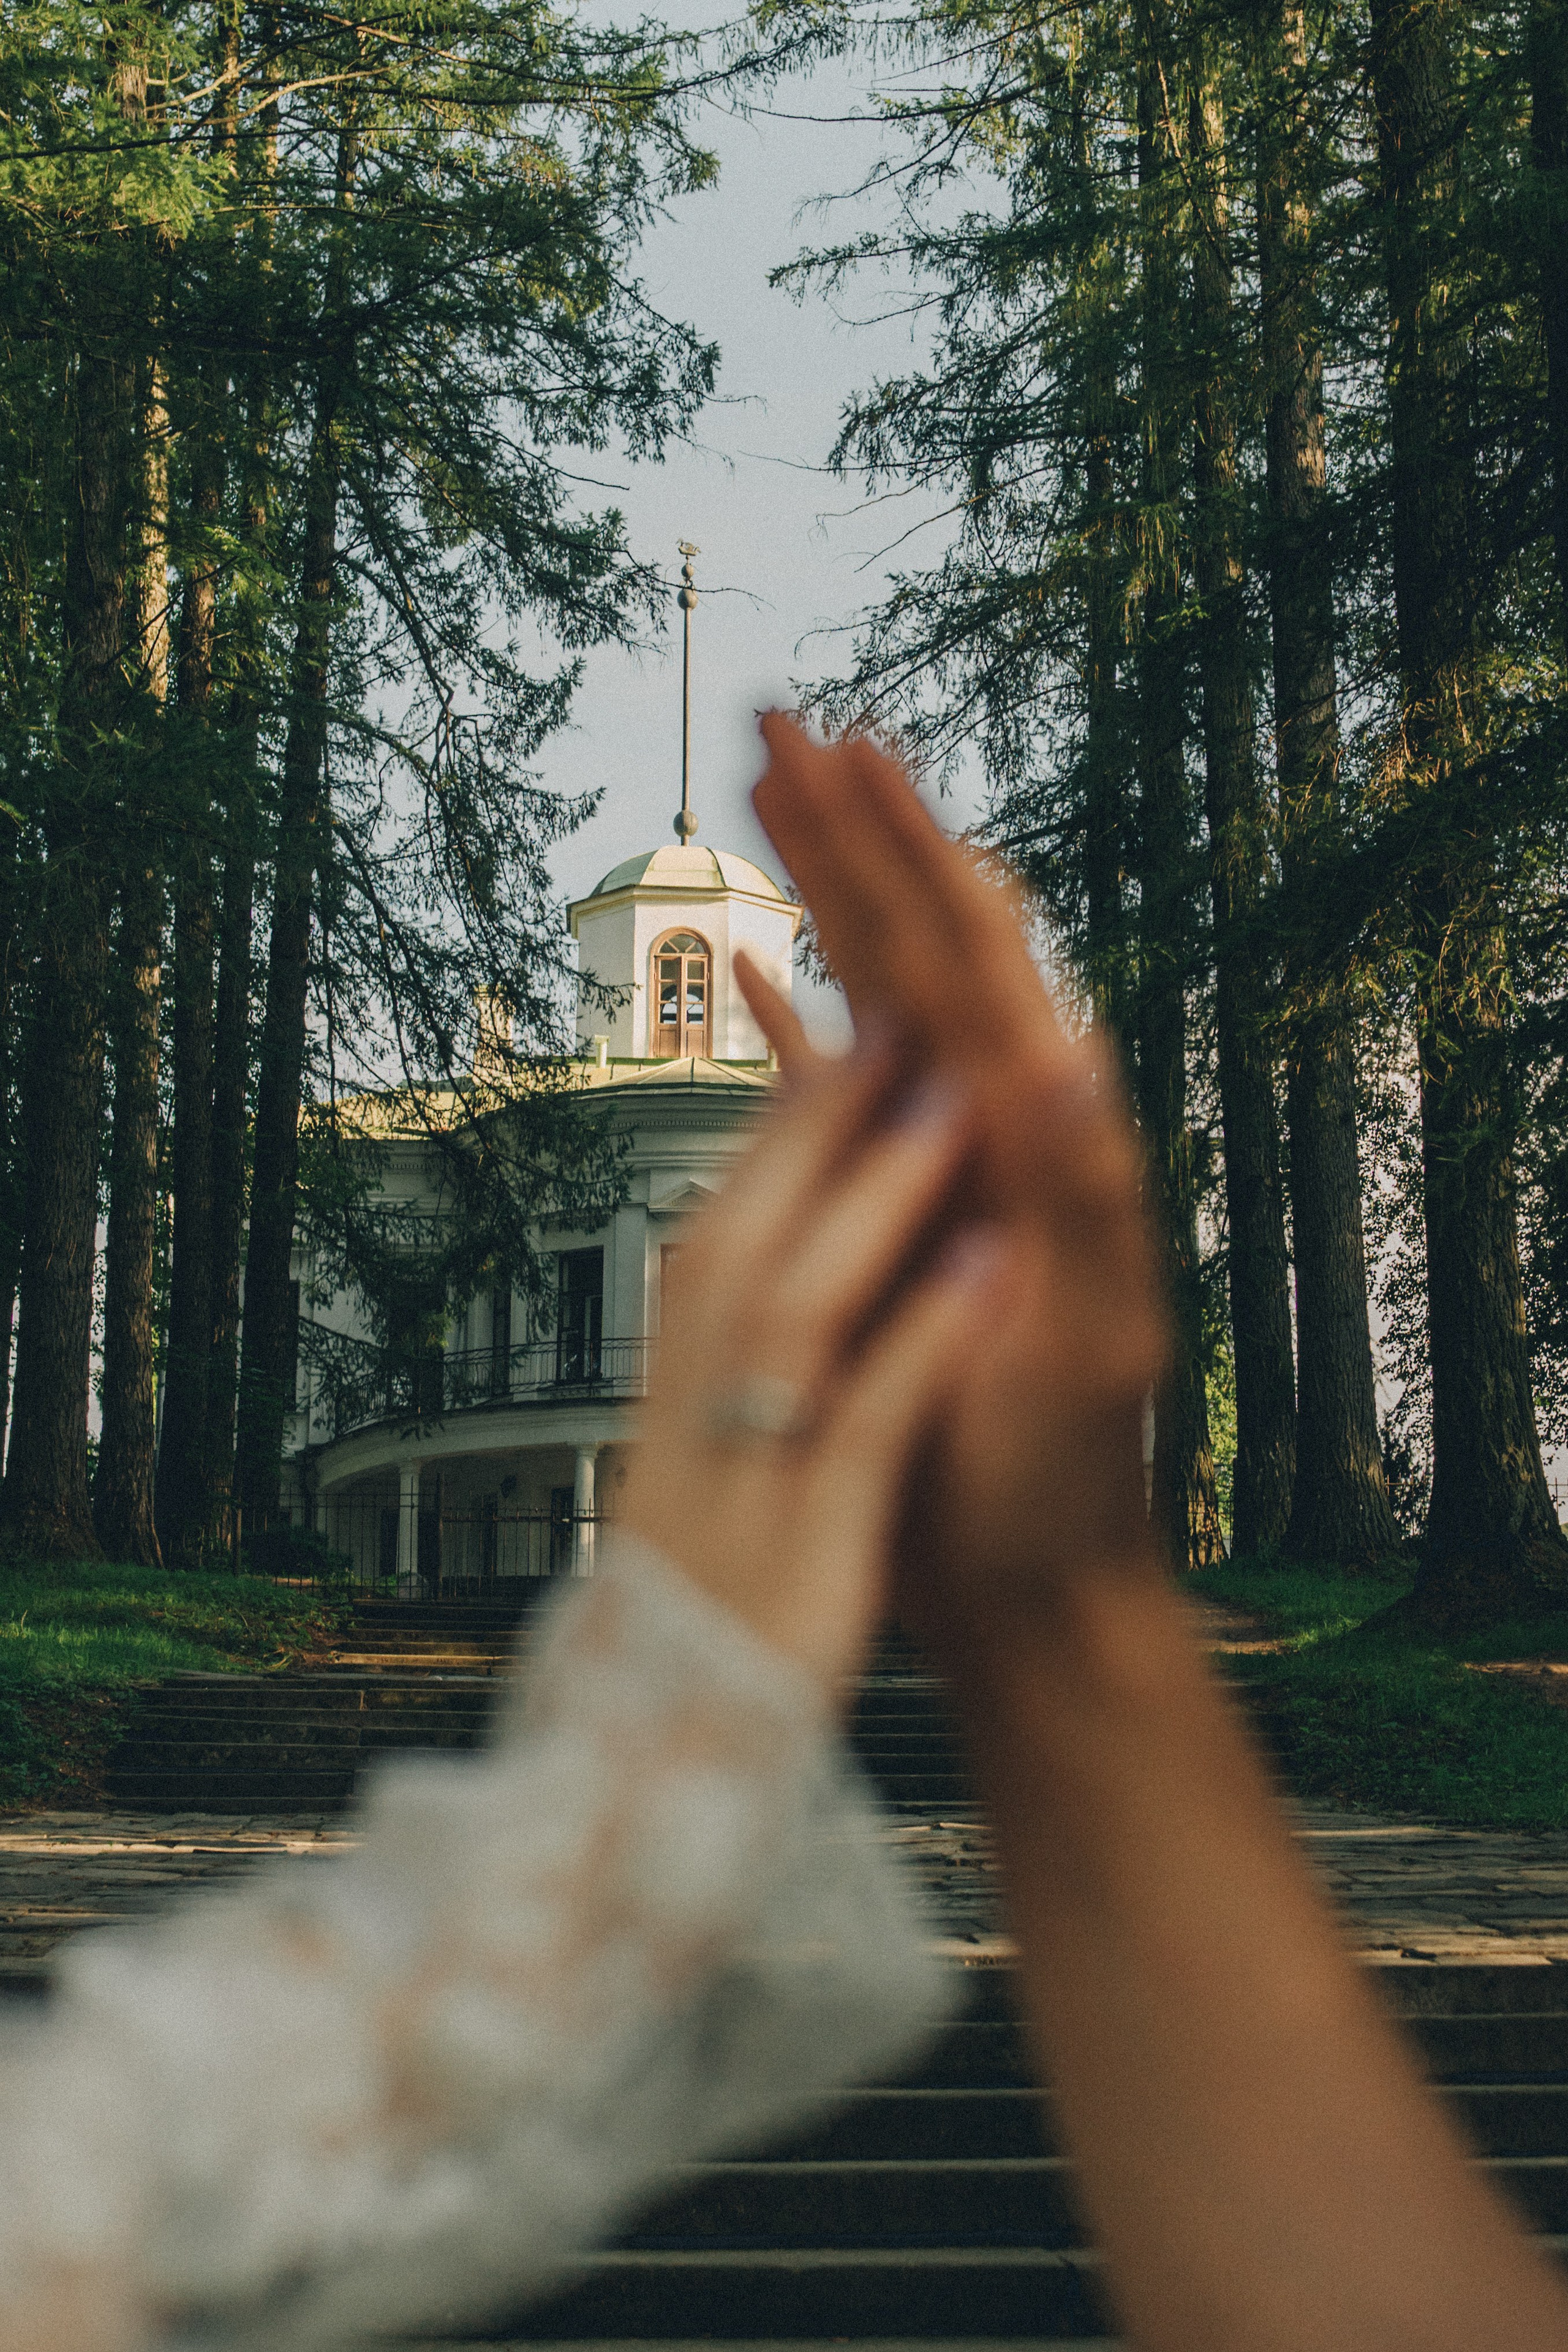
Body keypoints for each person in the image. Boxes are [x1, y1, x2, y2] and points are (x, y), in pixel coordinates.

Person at [3, 712, 1567, 2352]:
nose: (680, 983)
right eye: (659, 967)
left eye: (700, 966)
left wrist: (1031, 1624)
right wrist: (1028, 1636)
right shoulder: (511, 1119)